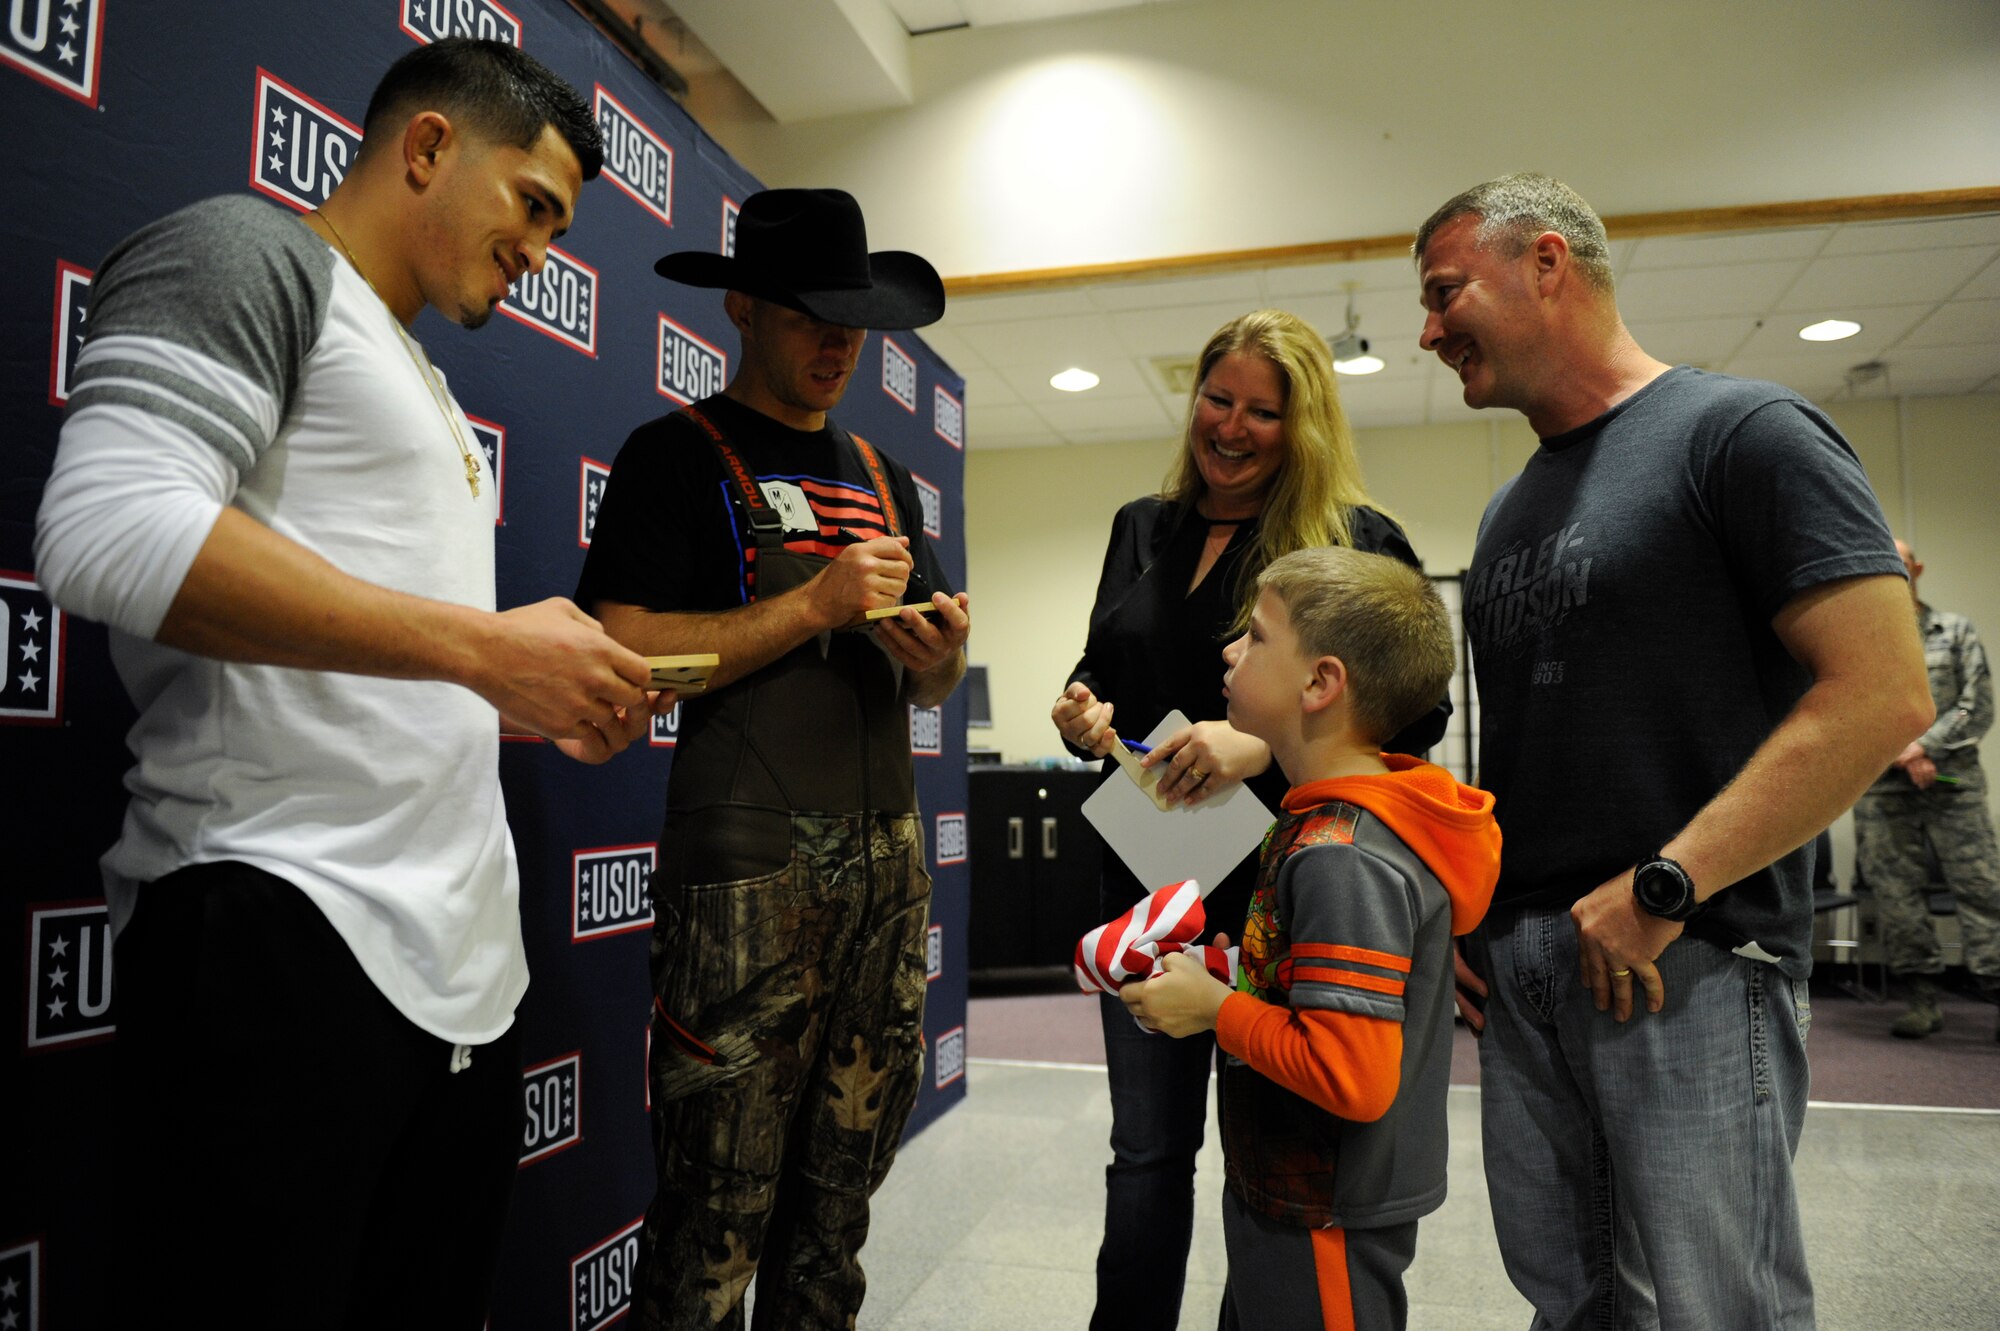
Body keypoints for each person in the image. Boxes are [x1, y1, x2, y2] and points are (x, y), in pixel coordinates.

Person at [32, 38, 662, 1329]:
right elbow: (103, 528)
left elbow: (382, 655)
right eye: (531, 204)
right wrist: (484, 649)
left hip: (448, 968)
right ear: (427, 147)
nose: (541, 253)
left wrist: (523, 686)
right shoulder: (250, 256)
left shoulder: (424, 376)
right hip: (276, 921)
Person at [1414, 172, 1934, 1329]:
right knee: (1574, 1301)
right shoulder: (1512, 509)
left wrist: (1667, 881)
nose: (1427, 328)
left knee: (1716, 1306)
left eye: (1447, 291)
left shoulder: (1738, 433)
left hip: (1683, 951)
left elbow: (1882, 691)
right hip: (1529, 968)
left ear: (1546, 261)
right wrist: (1483, 919)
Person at [575, 188, 970, 1331]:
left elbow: (929, 681)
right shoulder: (675, 456)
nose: (837, 339)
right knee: (712, 1226)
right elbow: (625, 653)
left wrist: (939, 659)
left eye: (851, 315)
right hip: (745, 888)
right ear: (741, 304)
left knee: (832, 1226)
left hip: (884, 886)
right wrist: (811, 607)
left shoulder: (890, 477)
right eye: (807, 311)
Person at [1050, 307, 1448, 1327]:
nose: (1228, 426)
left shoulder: (1351, 541)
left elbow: (1416, 712)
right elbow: (1105, 665)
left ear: (1302, 423)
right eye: (1214, 399)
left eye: (1259, 411)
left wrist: (1263, 746)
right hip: (1146, 880)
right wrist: (1081, 711)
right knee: (1144, 1149)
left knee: (1269, 1162)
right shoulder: (1141, 525)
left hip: (1283, 892)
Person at [1122, 546, 1499, 1331]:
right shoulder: (1318, 818)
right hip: (1292, 1182)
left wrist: (1217, 1010)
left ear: (1321, 683)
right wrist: (1228, 970)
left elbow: (1350, 1072)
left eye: (1255, 638)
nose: (1230, 650)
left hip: (1326, 1202)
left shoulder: (1342, 855)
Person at [1854, 539, 2000, 1038]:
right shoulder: (1859, 638)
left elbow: (1975, 704)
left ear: (1917, 567)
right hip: (1883, 787)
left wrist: (1924, 748)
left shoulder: (1954, 630)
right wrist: (1899, 752)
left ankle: (1996, 992)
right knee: (1896, 893)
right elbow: (1846, 708)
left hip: (1953, 784)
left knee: (1981, 887)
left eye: (1901, 560)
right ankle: (1921, 1000)